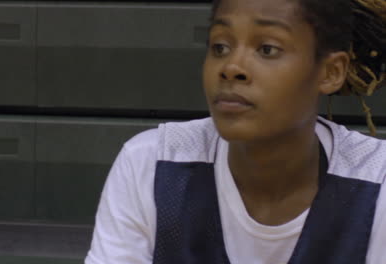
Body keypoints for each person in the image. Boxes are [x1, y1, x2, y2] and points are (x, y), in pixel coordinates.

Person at [85, 0, 386, 263]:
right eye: (220, 46)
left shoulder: (377, 181)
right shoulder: (152, 163)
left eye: (267, 49)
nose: (231, 67)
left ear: (330, 71)